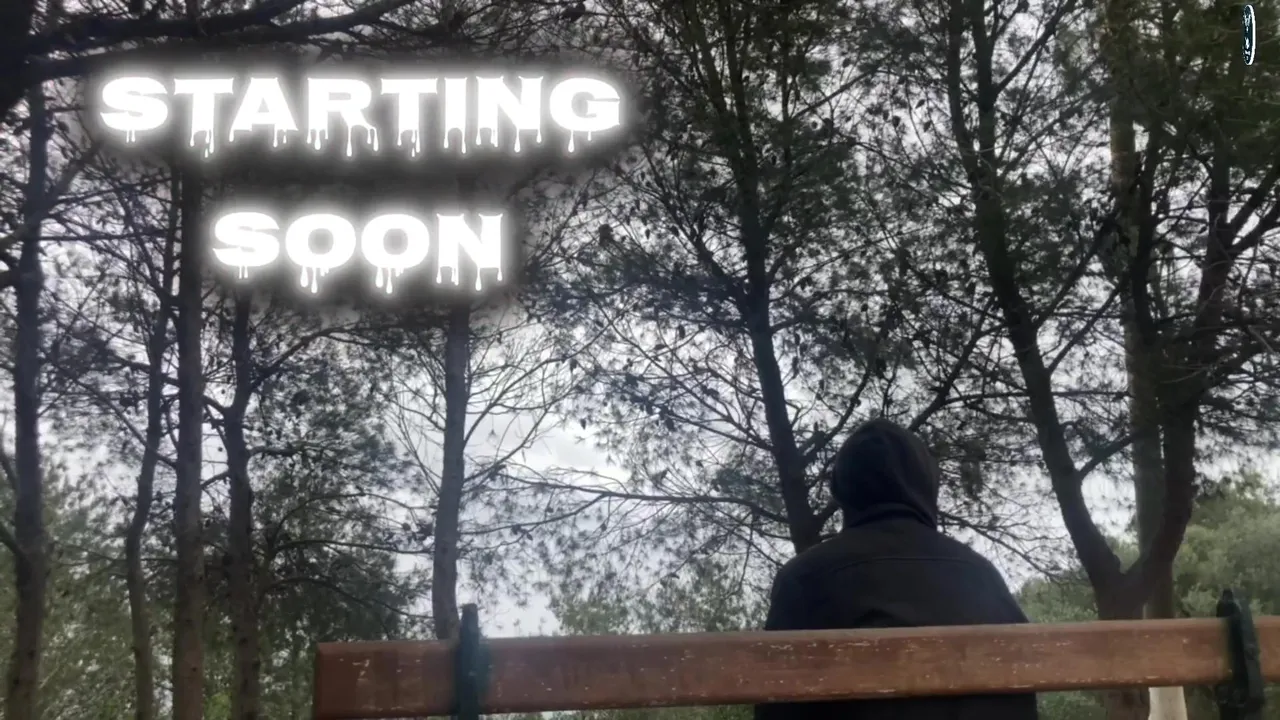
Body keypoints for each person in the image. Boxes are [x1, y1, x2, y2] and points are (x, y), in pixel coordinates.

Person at [753, 418, 1039, 720]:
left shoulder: (804, 578)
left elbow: (776, 706)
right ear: (926, 486)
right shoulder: (982, 575)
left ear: (842, 489)